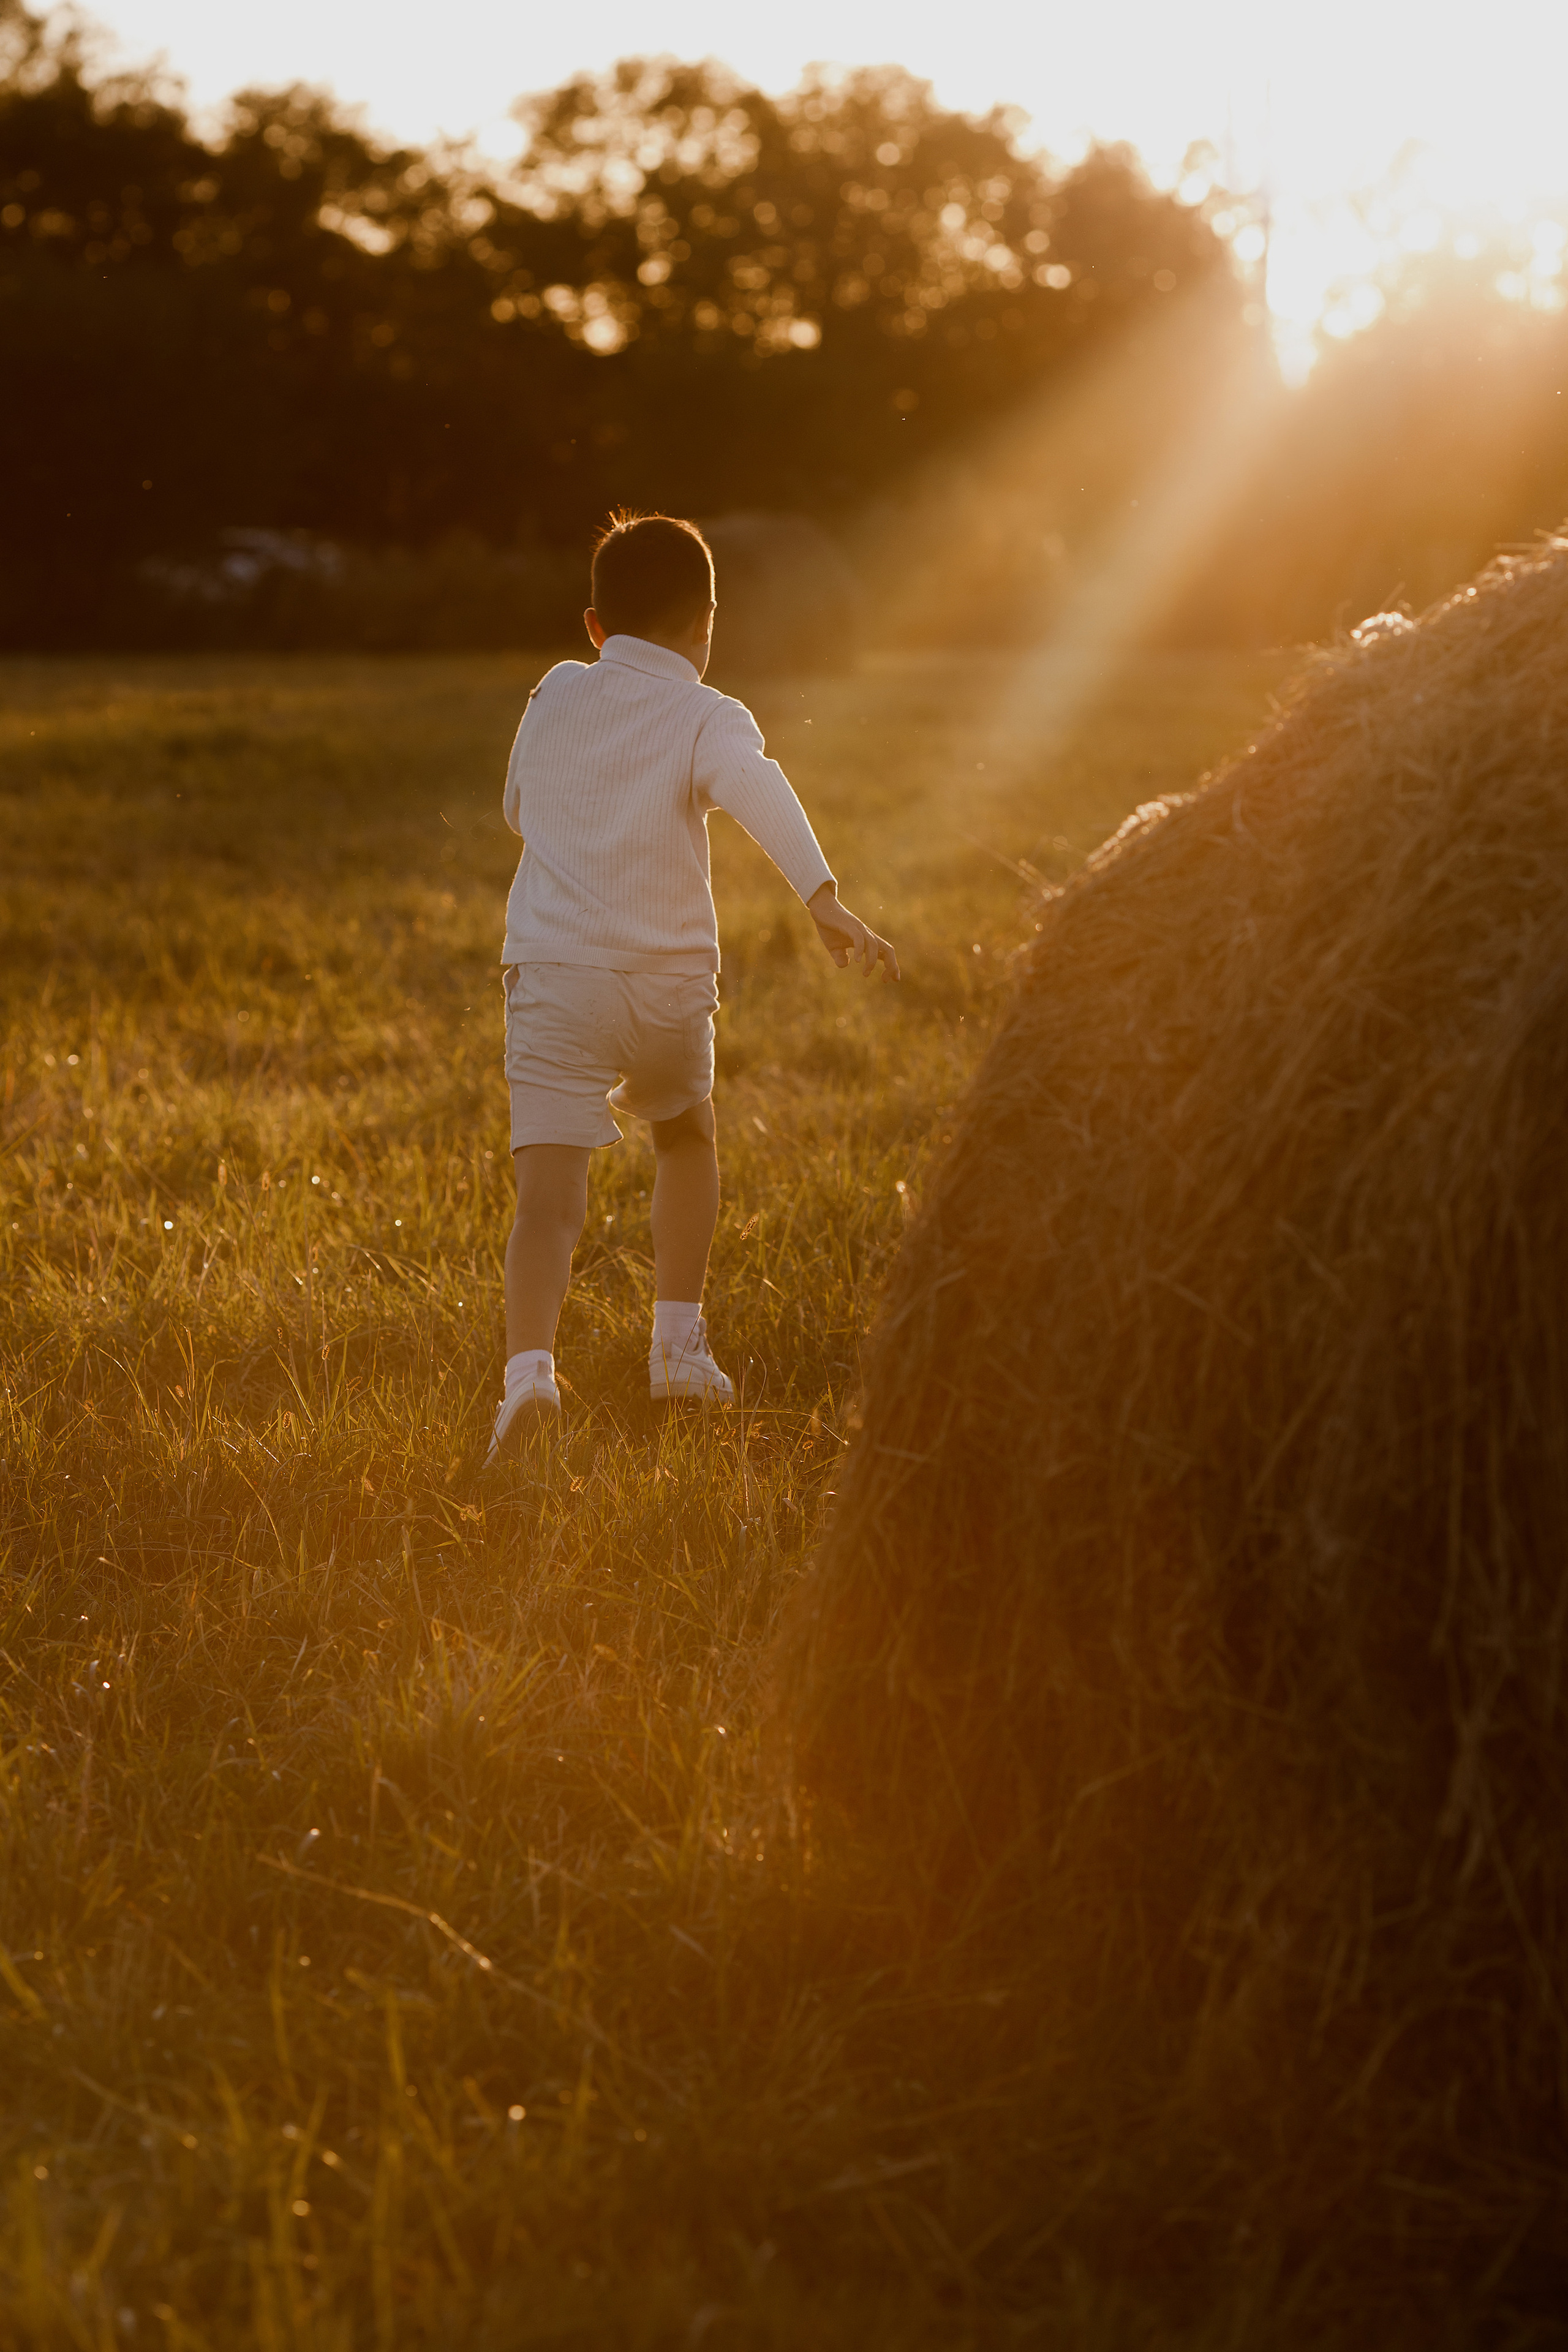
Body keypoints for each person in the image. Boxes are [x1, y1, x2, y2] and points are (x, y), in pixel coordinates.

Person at [487, 509, 899, 1463]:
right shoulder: (711, 715)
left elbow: (516, 805)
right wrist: (823, 896)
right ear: (709, 625)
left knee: (546, 1203)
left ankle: (528, 1381)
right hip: (668, 987)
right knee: (685, 1137)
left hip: (554, 978)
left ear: (594, 627)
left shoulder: (554, 692)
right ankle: (677, 1348)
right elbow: (758, 787)